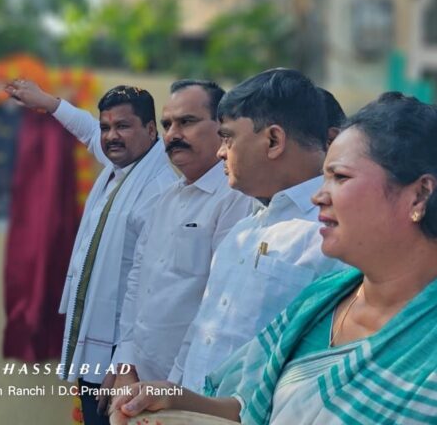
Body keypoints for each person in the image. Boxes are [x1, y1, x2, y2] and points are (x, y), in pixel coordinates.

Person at [110, 92, 437, 425]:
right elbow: (250, 408)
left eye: (340, 177)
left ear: (419, 195)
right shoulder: (322, 301)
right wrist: (174, 398)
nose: (318, 196)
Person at [5, 79, 178, 425]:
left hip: (125, 356)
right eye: (106, 127)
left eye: (123, 126)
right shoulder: (124, 168)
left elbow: (150, 289)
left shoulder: (160, 189)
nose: (111, 136)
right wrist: (48, 102)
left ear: (150, 130)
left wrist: (125, 362)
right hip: (100, 341)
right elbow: (86, 130)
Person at [165, 69, 344, 393]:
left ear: (273, 141)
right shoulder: (244, 231)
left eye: (228, 137)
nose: (221, 151)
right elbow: (203, 331)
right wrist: (174, 392)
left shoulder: (332, 233)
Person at [110, 80, 254, 394]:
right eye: (167, 125)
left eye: (187, 122)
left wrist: (172, 387)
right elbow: (137, 282)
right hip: (138, 379)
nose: (173, 135)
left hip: (187, 389)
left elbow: (217, 305)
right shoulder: (166, 199)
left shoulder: (236, 199)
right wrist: (125, 364)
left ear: (222, 128)